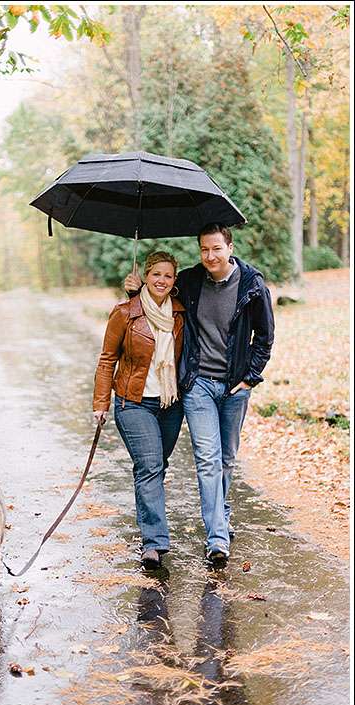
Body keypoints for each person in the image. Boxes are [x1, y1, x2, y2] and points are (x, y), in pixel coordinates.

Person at [125, 224, 275, 568]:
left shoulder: (252, 285)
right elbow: (157, 299)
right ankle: (217, 539)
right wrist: (136, 292)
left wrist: (250, 378)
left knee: (226, 458)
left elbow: (264, 338)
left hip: (235, 386)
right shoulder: (191, 281)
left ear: (230, 248)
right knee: (208, 459)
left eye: (216, 249)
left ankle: (221, 514)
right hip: (198, 385)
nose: (210, 256)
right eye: (204, 249)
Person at [94, 251, 186, 570]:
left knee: (156, 465)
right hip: (132, 402)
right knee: (149, 465)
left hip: (170, 404)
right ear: (145, 275)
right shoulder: (125, 313)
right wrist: (100, 403)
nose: (161, 280)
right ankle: (154, 542)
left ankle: (149, 527)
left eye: (168, 276)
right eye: (156, 274)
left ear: (175, 282)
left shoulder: (180, 313)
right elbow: (107, 359)